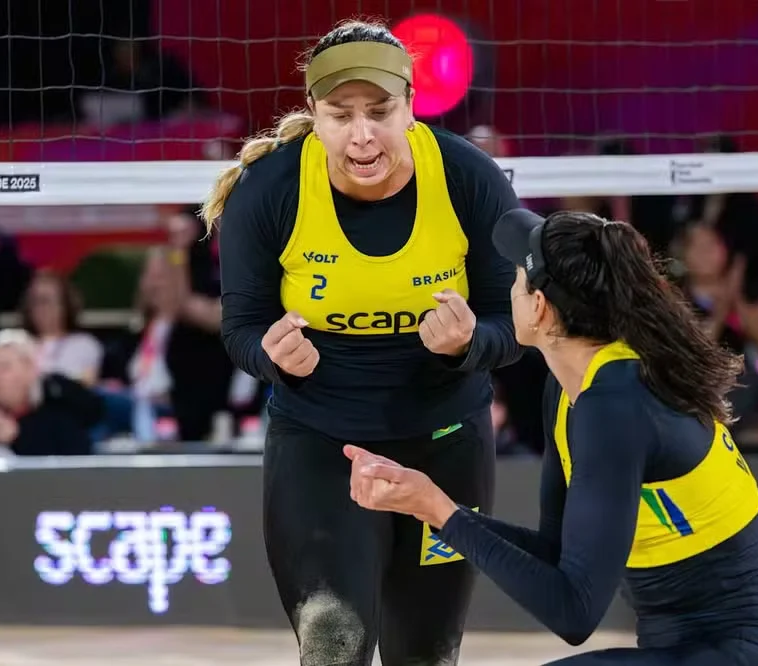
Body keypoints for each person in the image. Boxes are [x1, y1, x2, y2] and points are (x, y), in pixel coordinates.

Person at [345, 209, 758, 665]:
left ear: (539, 307)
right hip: (687, 648)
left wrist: (439, 511)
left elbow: (574, 612)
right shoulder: (572, 387)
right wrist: (428, 504)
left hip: (742, 653)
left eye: (516, 278)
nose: (509, 288)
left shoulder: (616, 403)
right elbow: (556, 556)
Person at [199, 19, 522, 666]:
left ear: (411, 106)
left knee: (426, 655)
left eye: (380, 111)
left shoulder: (468, 178)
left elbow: (513, 325)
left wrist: (471, 341)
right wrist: (270, 355)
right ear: (314, 114)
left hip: (446, 446)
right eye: (341, 115)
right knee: (333, 644)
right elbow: (241, 329)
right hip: (321, 447)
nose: (363, 134)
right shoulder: (270, 190)